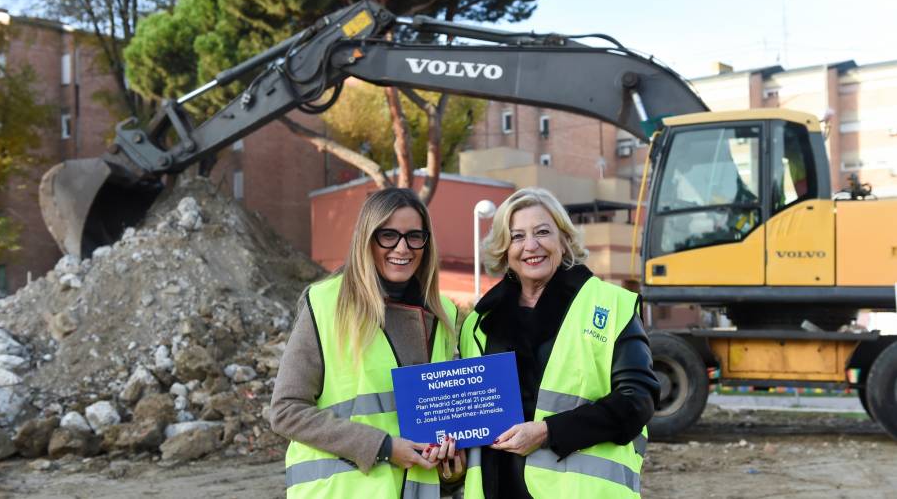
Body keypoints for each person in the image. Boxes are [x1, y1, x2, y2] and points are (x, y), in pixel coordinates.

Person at [459, 187, 660, 499]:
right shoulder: (479, 324)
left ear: (564, 240)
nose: (531, 246)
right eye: (517, 236)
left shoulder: (607, 305)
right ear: (503, 248)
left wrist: (547, 431)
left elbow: (638, 400)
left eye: (543, 232)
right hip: (496, 488)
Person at [271, 187, 465, 498]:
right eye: (388, 235)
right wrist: (383, 447)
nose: (402, 248)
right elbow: (285, 410)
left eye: (415, 236)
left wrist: (451, 472)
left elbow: (435, 425)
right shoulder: (325, 304)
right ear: (367, 238)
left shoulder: (442, 315)